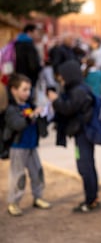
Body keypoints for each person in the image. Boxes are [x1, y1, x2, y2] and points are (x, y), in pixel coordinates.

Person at [47, 60, 100, 212]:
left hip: (83, 134)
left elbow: (68, 109)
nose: (61, 80)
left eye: (62, 77)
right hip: (82, 134)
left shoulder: (78, 90)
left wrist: (55, 100)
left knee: (85, 166)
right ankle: (92, 197)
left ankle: (91, 200)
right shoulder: (79, 88)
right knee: (86, 165)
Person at [4, 73, 51, 216]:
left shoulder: (30, 105)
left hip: (32, 145)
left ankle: (38, 197)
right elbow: (17, 124)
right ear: (14, 90)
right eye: (24, 89)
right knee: (18, 176)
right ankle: (14, 202)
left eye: (29, 89)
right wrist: (30, 117)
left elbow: (40, 124)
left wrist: (42, 117)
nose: (27, 93)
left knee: (37, 172)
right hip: (18, 147)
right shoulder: (11, 109)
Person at [14, 24, 42, 91]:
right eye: (36, 32)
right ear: (29, 32)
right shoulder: (29, 45)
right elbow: (33, 66)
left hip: (18, 78)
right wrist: (40, 67)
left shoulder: (17, 43)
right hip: (29, 79)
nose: (37, 34)